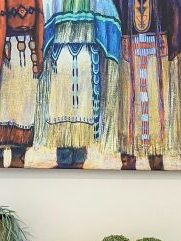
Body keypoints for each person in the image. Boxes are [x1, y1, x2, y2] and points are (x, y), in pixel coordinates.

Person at [35, 0, 123, 169]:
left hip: (73, 57)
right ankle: (70, 158)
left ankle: (72, 159)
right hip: (74, 57)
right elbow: (111, 21)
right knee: (67, 107)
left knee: (77, 107)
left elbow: (43, 22)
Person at [113, 0, 181, 170]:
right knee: (127, 108)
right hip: (127, 47)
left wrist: (174, 43)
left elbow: (178, 10)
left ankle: (156, 160)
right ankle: (128, 159)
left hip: (157, 46)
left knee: (156, 105)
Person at [0, 0, 45, 168]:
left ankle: (17, 158)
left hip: (26, 54)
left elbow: (39, 22)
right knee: (2, 106)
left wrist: (39, 55)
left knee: (23, 107)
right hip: (6, 54)